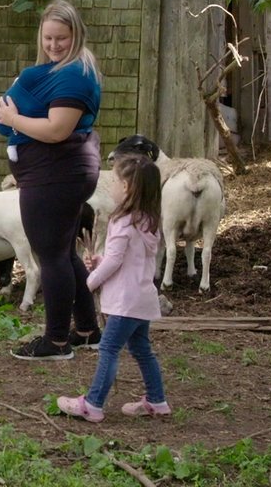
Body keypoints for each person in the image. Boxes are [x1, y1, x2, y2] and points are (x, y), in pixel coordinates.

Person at [0, 0, 103, 360]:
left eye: (62, 39)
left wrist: (13, 119)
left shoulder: (74, 74)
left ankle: (55, 342)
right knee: (63, 253)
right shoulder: (63, 71)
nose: (54, 46)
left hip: (56, 175)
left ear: (77, 36)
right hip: (59, 174)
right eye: (48, 38)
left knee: (50, 256)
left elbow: (56, 130)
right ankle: (86, 330)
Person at [57, 153, 170, 422]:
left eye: (116, 181)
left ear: (128, 188)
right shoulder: (147, 220)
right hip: (142, 298)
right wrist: (100, 261)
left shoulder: (122, 221)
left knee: (108, 350)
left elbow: (117, 260)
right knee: (142, 349)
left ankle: (93, 404)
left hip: (124, 302)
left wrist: (91, 280)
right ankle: (157, 400)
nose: (112, 186)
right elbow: (128, 258)